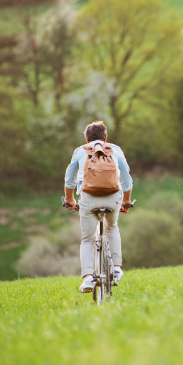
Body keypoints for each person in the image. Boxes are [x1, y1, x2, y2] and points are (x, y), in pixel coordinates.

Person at [64, 121, 133, 293]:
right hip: (112, 199)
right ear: (105, 137)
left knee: (87, 240)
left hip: (89, 200)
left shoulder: (80, 151)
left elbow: (69, 180)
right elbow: (126, 179)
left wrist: (70, 199)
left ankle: (87, 279)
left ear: (87, 139)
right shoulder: (115, 149)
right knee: (112, 227)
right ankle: (116, 268)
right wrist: (126, 201)